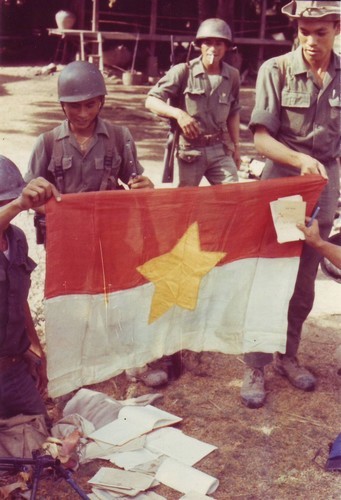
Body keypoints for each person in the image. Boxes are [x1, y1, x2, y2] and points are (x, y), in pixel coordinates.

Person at [24, 61, 166, 389]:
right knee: (72, 301)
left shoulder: (119, 137)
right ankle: (75, 364)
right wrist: (41, 198)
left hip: (110, 235)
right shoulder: (47, 143)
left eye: (91, 104)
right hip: (67, 240)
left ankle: (131, 359)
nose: (83, 112)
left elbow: (135, 181)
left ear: (101, 101)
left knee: (118, 295)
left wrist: (145, 187)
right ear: (62, 105)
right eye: (74, 105)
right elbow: (29, 191)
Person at [241, 0, 341, 408]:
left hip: (326, 184)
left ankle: (289, 355)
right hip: (283, 179)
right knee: (269, 276)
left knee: (304, 276)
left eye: (321, 32)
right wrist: (299, 159)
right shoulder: (276, 70)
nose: (311, 40)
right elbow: (261, 139)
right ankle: (256, 364)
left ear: (336, 28)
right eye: (304, 30)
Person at [145, 18, 241, 187]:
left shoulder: (232, 76)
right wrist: (178, 114)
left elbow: (233, 112)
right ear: (199, 46)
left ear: (226, 47)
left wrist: (236, 147)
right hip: (190, 151)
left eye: (219, 43)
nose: (213, 48)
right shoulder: (183, 71)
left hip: (220, 149)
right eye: (207, 43)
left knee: (233, 195)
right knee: (186, 203)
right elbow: (151, 100)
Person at [0, 156, 60, 420]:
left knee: (40, 436)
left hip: (12, 371)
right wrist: (18, 203)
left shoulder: (16, 239)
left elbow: (19, 299)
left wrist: (35, 350)